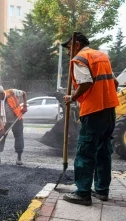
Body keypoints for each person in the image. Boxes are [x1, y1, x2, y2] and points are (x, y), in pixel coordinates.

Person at [61, 32, 119, 206]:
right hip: (109, 111)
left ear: (77, 45)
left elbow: (86, 82)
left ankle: (83, 193)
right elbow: (114, 83)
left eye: (69, 47)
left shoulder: (80, 59)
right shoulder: (102, 56)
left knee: (85, 151)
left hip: (93, 112)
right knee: (103, 150)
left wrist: (72, 97)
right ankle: (102, 190)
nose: (68, 52)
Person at [0, 85, 28, 165]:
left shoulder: (12, 92)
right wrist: (2, 129)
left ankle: (19, 157)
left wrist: (25, 106)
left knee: (19, 137)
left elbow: (24, 93)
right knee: (0, 136)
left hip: (17, 119)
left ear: (2, 93)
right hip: (5, 121)